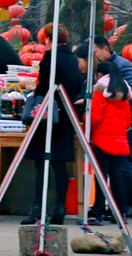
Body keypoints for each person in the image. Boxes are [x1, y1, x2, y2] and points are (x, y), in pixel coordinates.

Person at [21, 25, 87, 228]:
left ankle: (37, 209)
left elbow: (43, 87)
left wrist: (31, 91)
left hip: (48, 116)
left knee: (42, 164)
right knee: (60, 166)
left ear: (48, 39)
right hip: (66, 117)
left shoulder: (50, 58)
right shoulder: (72, 60)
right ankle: (60, 207)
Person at [86, 64, 132, 223]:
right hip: (121, 143)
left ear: (100, 75)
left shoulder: (100, 95)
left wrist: (85, 123)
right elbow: (128, 122)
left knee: (101, 177)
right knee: (117, 178)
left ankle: (98, 211)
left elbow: (94, 118)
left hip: (102, 142)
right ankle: (119, 212)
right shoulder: (124, 99)